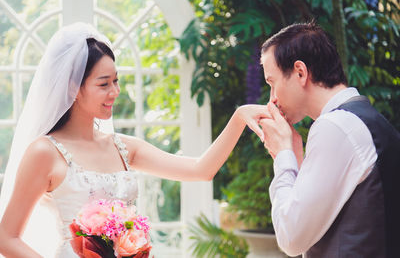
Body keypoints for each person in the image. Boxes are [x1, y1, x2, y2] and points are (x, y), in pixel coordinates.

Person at [0, 23, 269, 258]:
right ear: (73, 87)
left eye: (116, 81)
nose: (115, 92)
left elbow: (201, 169)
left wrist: (239, 118)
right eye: (103, 84)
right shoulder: (44, 152)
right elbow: (6, 238)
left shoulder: (124, 148)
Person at [259, 21, 400, 257]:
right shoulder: (365, 120)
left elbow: (291, 238)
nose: (272, 99)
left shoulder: (336, 127)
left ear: (300, 72)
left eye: (272, 83)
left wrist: (282, 155)